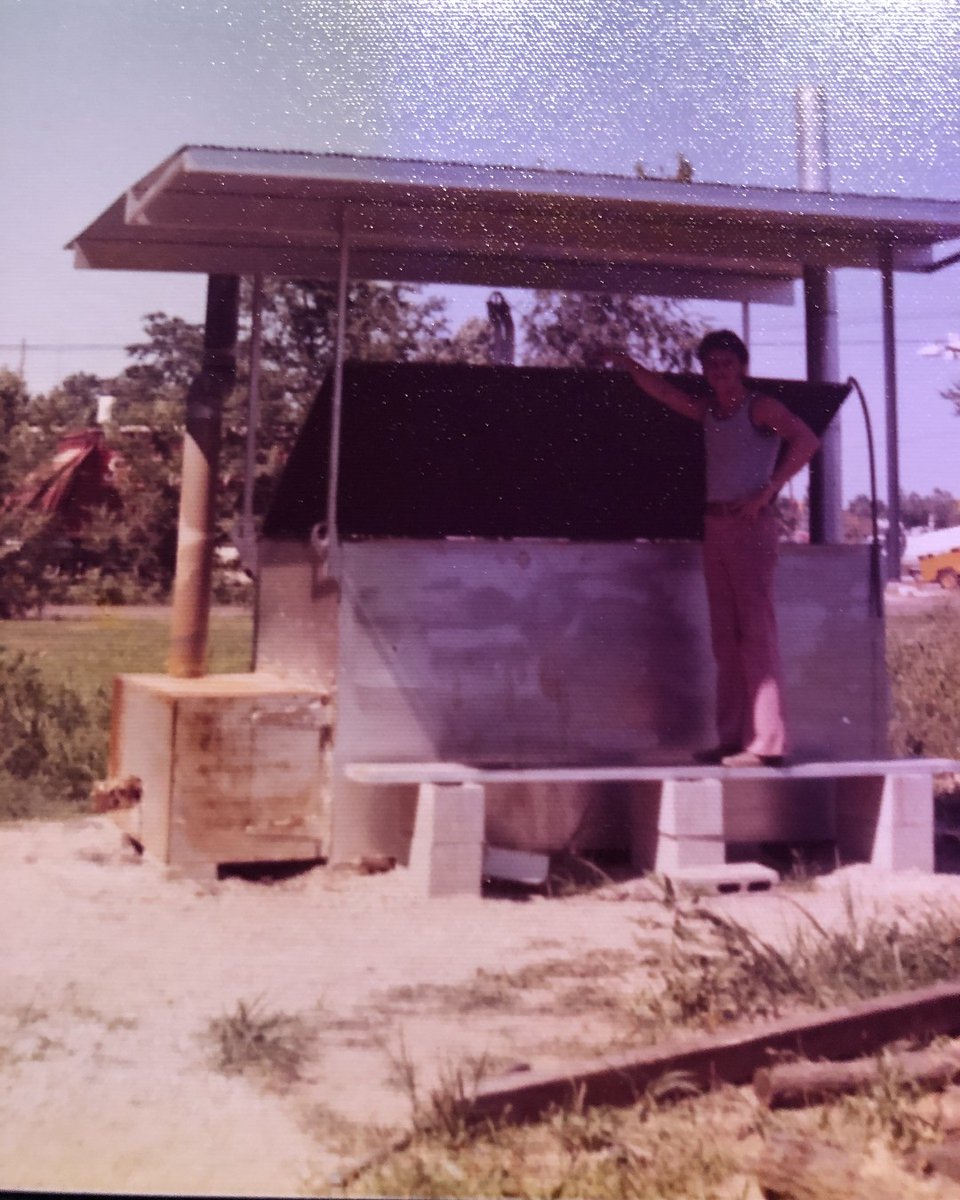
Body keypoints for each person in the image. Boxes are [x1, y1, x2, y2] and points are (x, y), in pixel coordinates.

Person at [608, 330, 821, 767]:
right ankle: (732, 739)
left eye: (727, 363)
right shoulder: (709, 411)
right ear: (705, 371)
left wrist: (768, 491)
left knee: (756, 635)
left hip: (751, 527)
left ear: (742, 365)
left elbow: (806, 441)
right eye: (712, 365)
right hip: (716, 525)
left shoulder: (760, 407)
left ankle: (768, 744)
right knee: (725, 639)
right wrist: (628, 363)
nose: (720, 372)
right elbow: (665, 392)